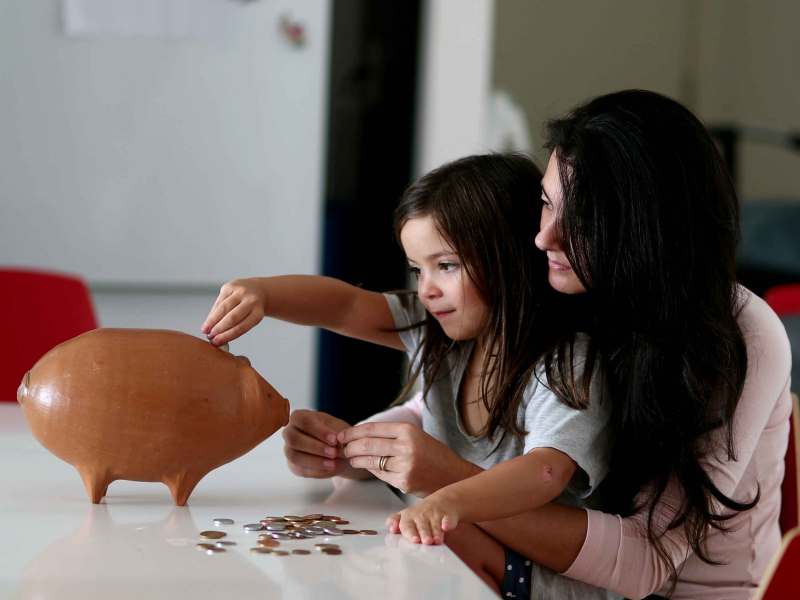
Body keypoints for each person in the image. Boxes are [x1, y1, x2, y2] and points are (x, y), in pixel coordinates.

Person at [370, 90, 788, 600]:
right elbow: (456, 393)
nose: (545, 238)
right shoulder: (569, 280)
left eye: (583, 217)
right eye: (546, 203)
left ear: (647, 226)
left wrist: (450, 480)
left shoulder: (741, 333)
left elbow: (643, 564)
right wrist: (360, 442)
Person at [201, 153, 614, 598]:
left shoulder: (566, 361)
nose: (427, 289)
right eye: (418, 269)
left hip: (539, 581)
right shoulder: (439, 332)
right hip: (456, 551)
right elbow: (345, 306)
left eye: (447, 266)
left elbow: (545, 472)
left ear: (511, 256)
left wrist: (447, 498)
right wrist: (264, 293)